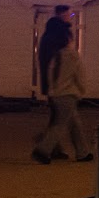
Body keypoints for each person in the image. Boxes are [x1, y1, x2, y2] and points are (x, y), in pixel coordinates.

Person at [33, 24, 91, 164]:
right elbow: (79, 75)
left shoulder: (56, 56)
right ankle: (43, 150)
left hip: (56, 94)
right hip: (68, 94)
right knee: (60, 124)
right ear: (68, 40)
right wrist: (82, 91)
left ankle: (82, 152)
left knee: (74, 123)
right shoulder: (72, 56)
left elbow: (50, 74)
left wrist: (52, 91)